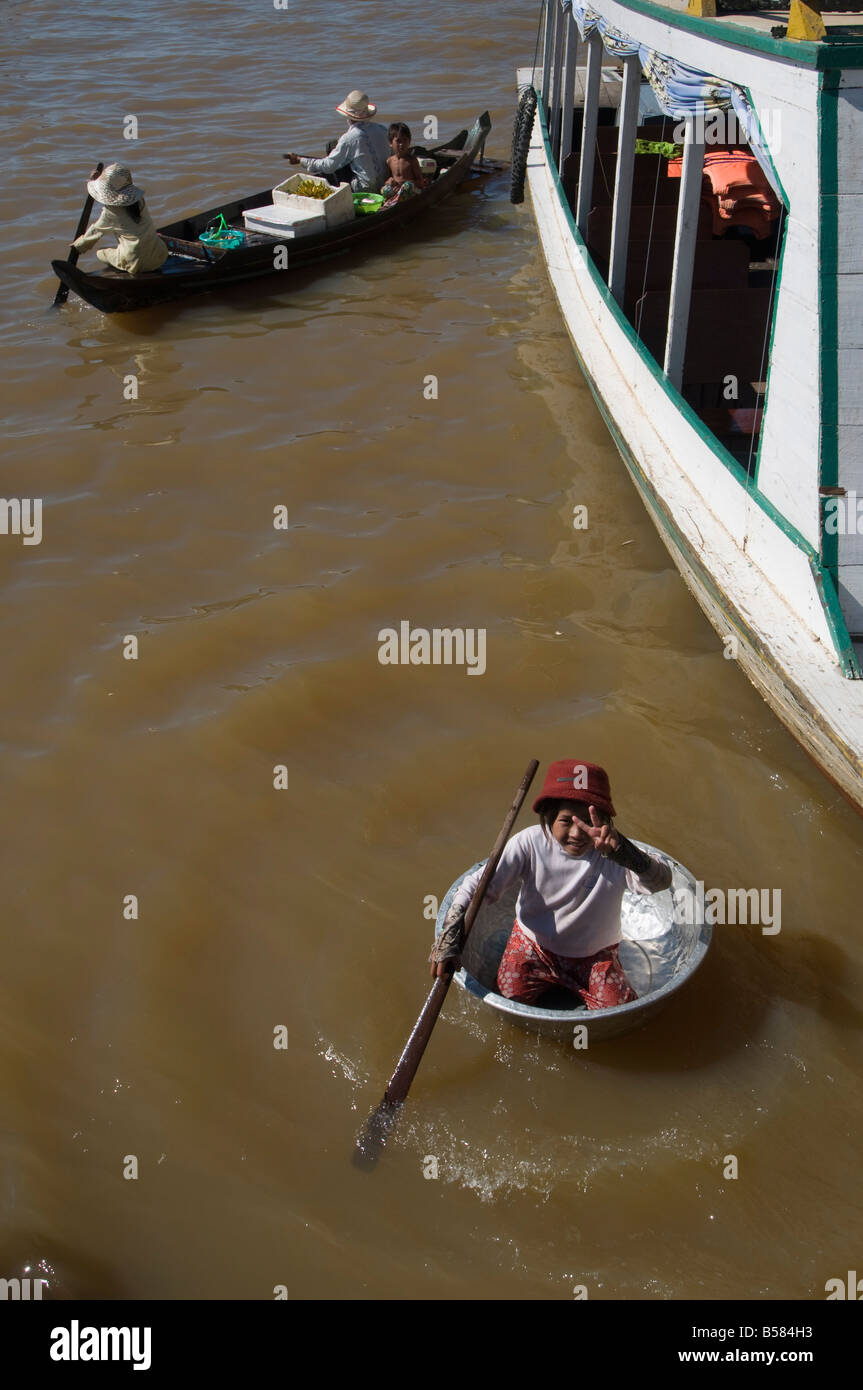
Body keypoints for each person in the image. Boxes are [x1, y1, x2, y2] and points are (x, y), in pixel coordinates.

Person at [430, 760, 673, 1010]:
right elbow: (477, 886)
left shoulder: (614, 852)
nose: (577, 834)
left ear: (603, 822)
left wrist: (627, 854)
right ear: (549, 818)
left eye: (587, 823)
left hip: (595, 957)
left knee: (619, 1009)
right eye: (567, 821)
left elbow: (662, 881)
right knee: (507, 1002)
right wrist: (450, 934)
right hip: (532, 947)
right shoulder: (529, 843)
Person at [284, 90, 390, 193]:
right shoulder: (382, 129)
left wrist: (300, 160)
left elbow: (328, 166)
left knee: (332, 146)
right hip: (385, 184)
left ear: (348, 117)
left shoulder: (350, 138)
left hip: (365, 189)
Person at [71, 164, 168, 275]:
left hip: (135, 263)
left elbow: (95, 232)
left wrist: (78, 246)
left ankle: (124, 272)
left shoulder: (111, 213)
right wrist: (98, 180)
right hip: (160, 256)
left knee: (101, 253)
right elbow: (118, 187)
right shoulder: (140, 200)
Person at [380, 123, 426, 207]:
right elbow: (387, 179)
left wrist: (405, 183)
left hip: (411, 191)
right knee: (384, 189)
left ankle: (392, 203)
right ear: (391, 143)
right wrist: (390, 182)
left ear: (409, 142)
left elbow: (421, 182)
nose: (402, 144)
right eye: (398, 141)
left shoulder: (412, 160)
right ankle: (392, 202)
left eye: (405, 140)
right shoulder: (389, 161)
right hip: (397, 191)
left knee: (407, 186)